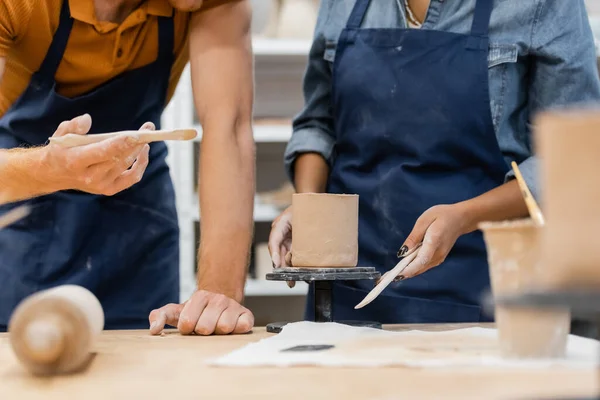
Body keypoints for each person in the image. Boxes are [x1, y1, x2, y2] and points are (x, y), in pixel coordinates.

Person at [269, 0, 600, 323]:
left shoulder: (545, 5)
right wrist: (308, 207)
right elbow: (318, 124)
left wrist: (463, 217)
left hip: (484, 290)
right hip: (347, 293)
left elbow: (570, 162)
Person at [0, 0, 255, 335]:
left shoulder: (213, 3)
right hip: (22, 211)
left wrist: (218, 294)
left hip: (137, 216)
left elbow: (230, 128)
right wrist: (49, 168)